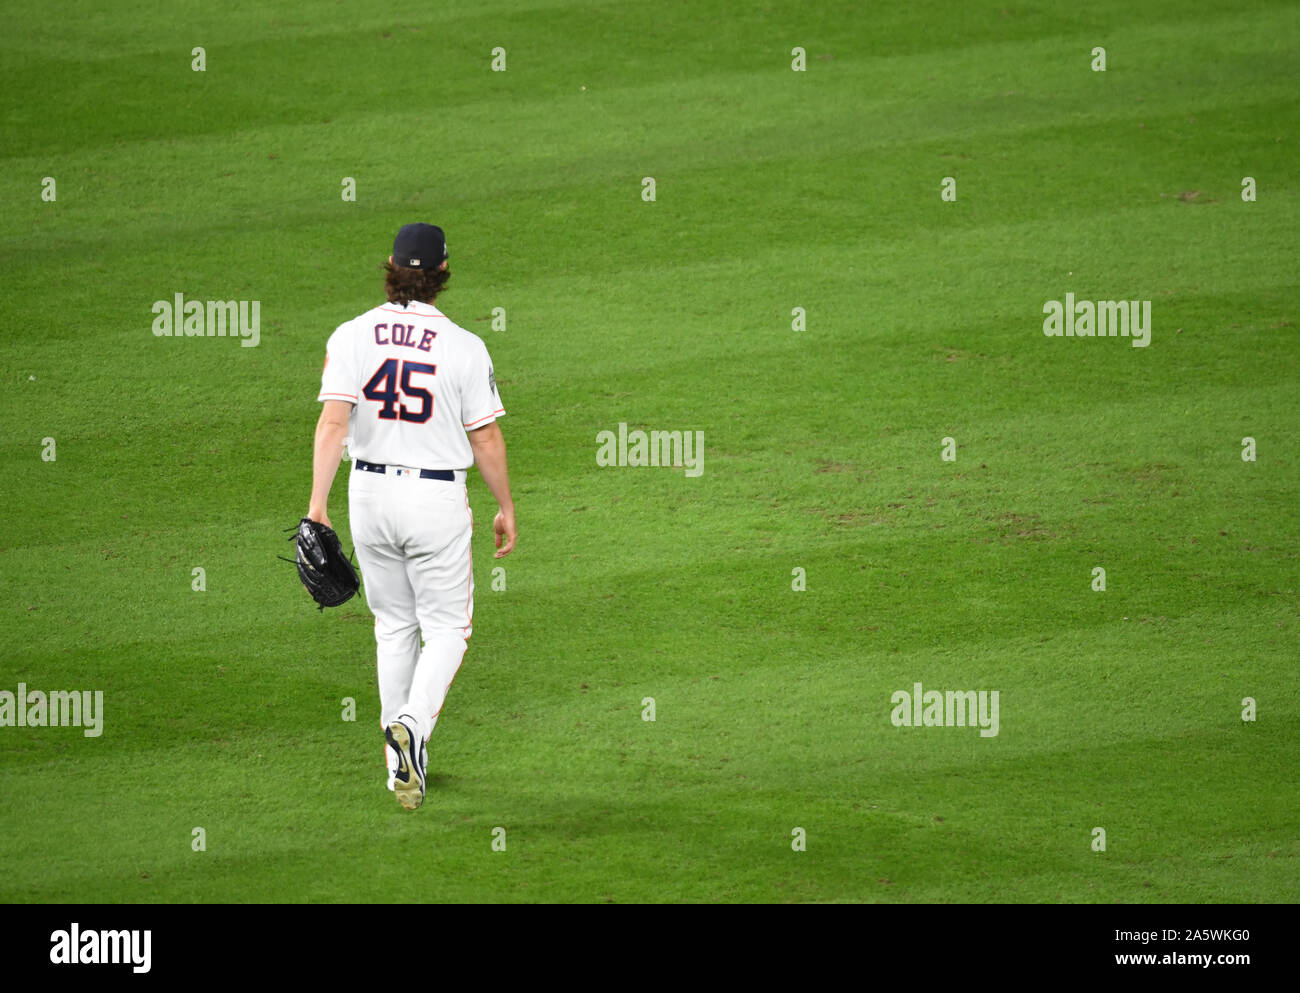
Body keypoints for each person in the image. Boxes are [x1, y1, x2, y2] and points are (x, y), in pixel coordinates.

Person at [307, 222, 517, 810]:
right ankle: (412, 727)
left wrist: (318, 506)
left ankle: (396, 761)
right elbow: (487, 438)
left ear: (390, 265)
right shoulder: (464, 346)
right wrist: (504, 506)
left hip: (367, 496)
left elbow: (332, 423)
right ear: (443, 273)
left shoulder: (351, 335)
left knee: (393, 625)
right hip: (434, 500)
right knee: (448, 628)